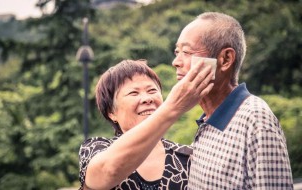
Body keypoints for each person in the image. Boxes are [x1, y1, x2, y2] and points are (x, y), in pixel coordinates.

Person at [172, 12, 293, 189]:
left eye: (186, 52)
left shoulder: (256, 120)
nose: (176, 61)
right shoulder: (207, 119)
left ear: (225, 59)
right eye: (177, 52)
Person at [78, 59, 214, 190]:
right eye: (134, 93)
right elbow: (108, 171)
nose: (147, 99)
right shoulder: (95, 149)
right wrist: (173, 108)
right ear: (111, 112)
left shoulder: (187, 156)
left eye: (152, 91)